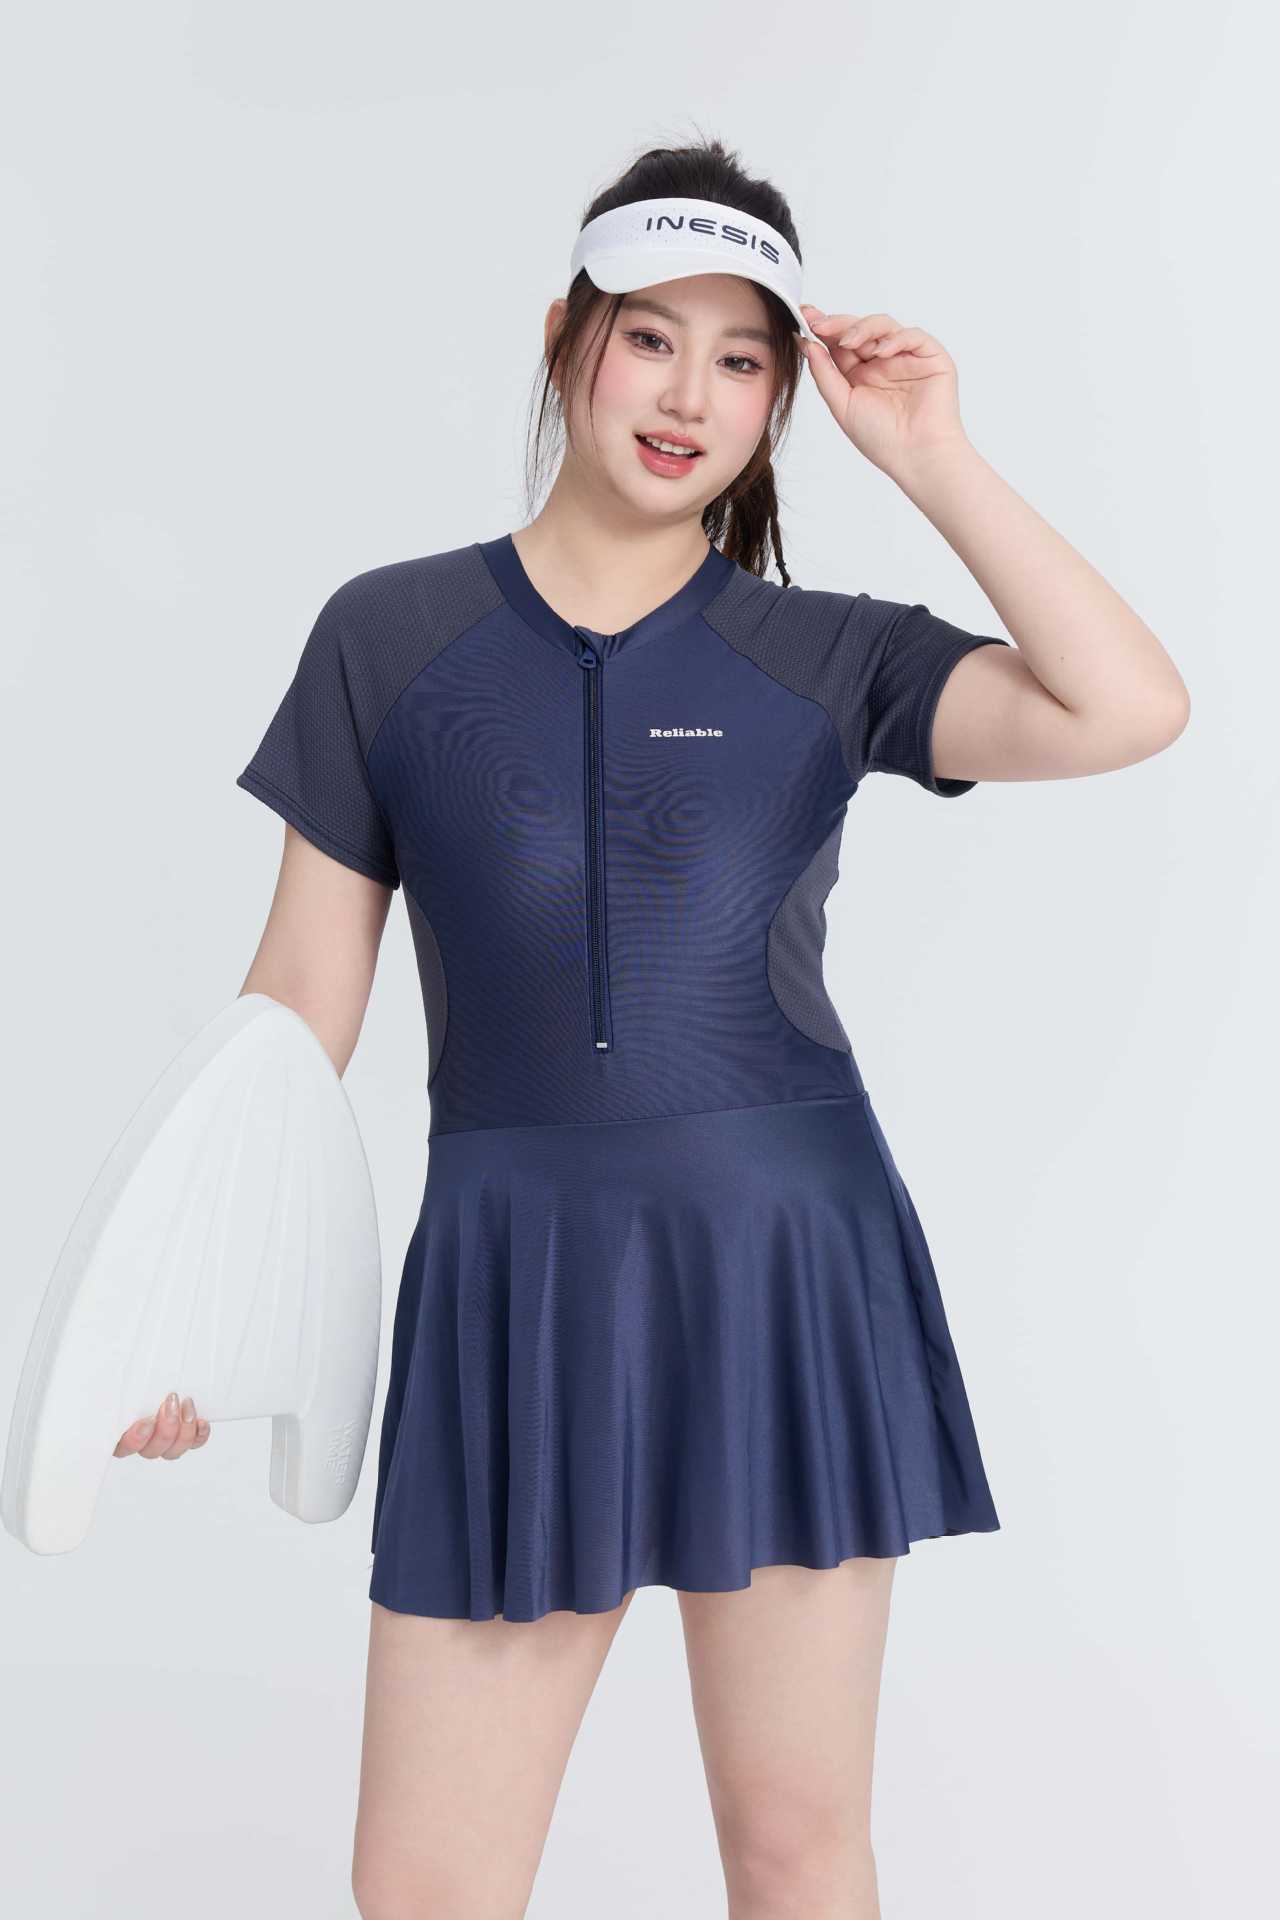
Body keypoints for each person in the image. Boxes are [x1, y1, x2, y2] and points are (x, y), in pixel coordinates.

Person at [113, 135, 1189, 1919]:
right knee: (426, 1885)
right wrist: (181, 1303)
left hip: (783, 1266)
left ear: (781, 399)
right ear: (567, 342)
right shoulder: (389, 637)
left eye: (742, 358)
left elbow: (1128, 706)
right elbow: (295, 1009)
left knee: (794, 1850)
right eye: (652, 340)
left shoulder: (829, 654)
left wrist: (931, 456)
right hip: (516, 1275)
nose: (690, 396)